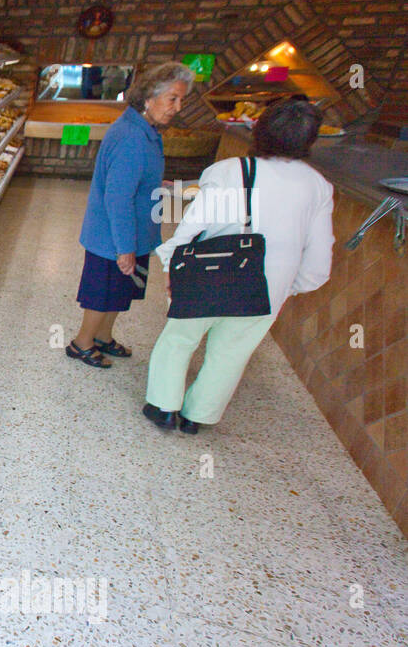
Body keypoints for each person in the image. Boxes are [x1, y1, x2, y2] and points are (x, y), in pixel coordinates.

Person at [143, 99, 334, 432]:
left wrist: (172, 265)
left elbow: (192, 225)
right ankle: (197, 417)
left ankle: (163, 407)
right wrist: (289, 285)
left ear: (259, 130)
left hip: (208, 271)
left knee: (180, 339)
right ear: (310, 141)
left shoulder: (231, 170)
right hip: (267, 286)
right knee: (231, 352)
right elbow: (319, 256)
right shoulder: (318, 186)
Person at [68, 61, 194, 368]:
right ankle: (81, 343)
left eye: (181, 99)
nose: (178, 107)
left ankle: (103, 337)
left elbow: (131, 181)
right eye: (172, 99)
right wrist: (124, 248)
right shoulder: (132, 139)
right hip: (113, 237)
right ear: (149, 98)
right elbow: (118, 198)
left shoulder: (144, 129)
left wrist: (158, 185)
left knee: (119, 293)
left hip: (132, 233)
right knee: (102, 295)